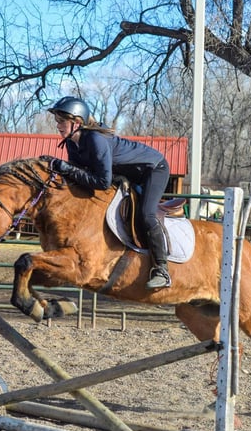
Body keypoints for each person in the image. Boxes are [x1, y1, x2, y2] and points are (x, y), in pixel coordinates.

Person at [46, 96, 172, 289]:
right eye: (57, 121)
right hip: (128, 174)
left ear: (77, 122)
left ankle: (162, 270)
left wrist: (67, 168)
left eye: (61, 121)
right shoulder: (71, 142)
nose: (58, 126)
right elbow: (78, 175)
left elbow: (102, 182)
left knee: (146, 214)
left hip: (154, 169)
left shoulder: (96, 139)